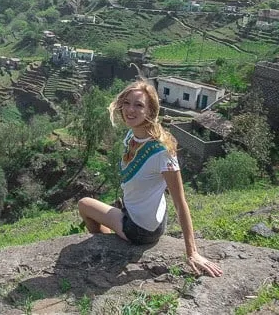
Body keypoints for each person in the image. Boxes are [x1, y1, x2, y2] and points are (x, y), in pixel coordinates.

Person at [77, 80, 223, 277]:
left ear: (151, 110)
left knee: (85, 204)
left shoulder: (162, 152)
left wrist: (192, 252)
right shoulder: (132, 136)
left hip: (141, 229)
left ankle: (108, 243)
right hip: (147, 215)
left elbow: (180, 202)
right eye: (127, 103)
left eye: (139, 105)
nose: (130, 110)